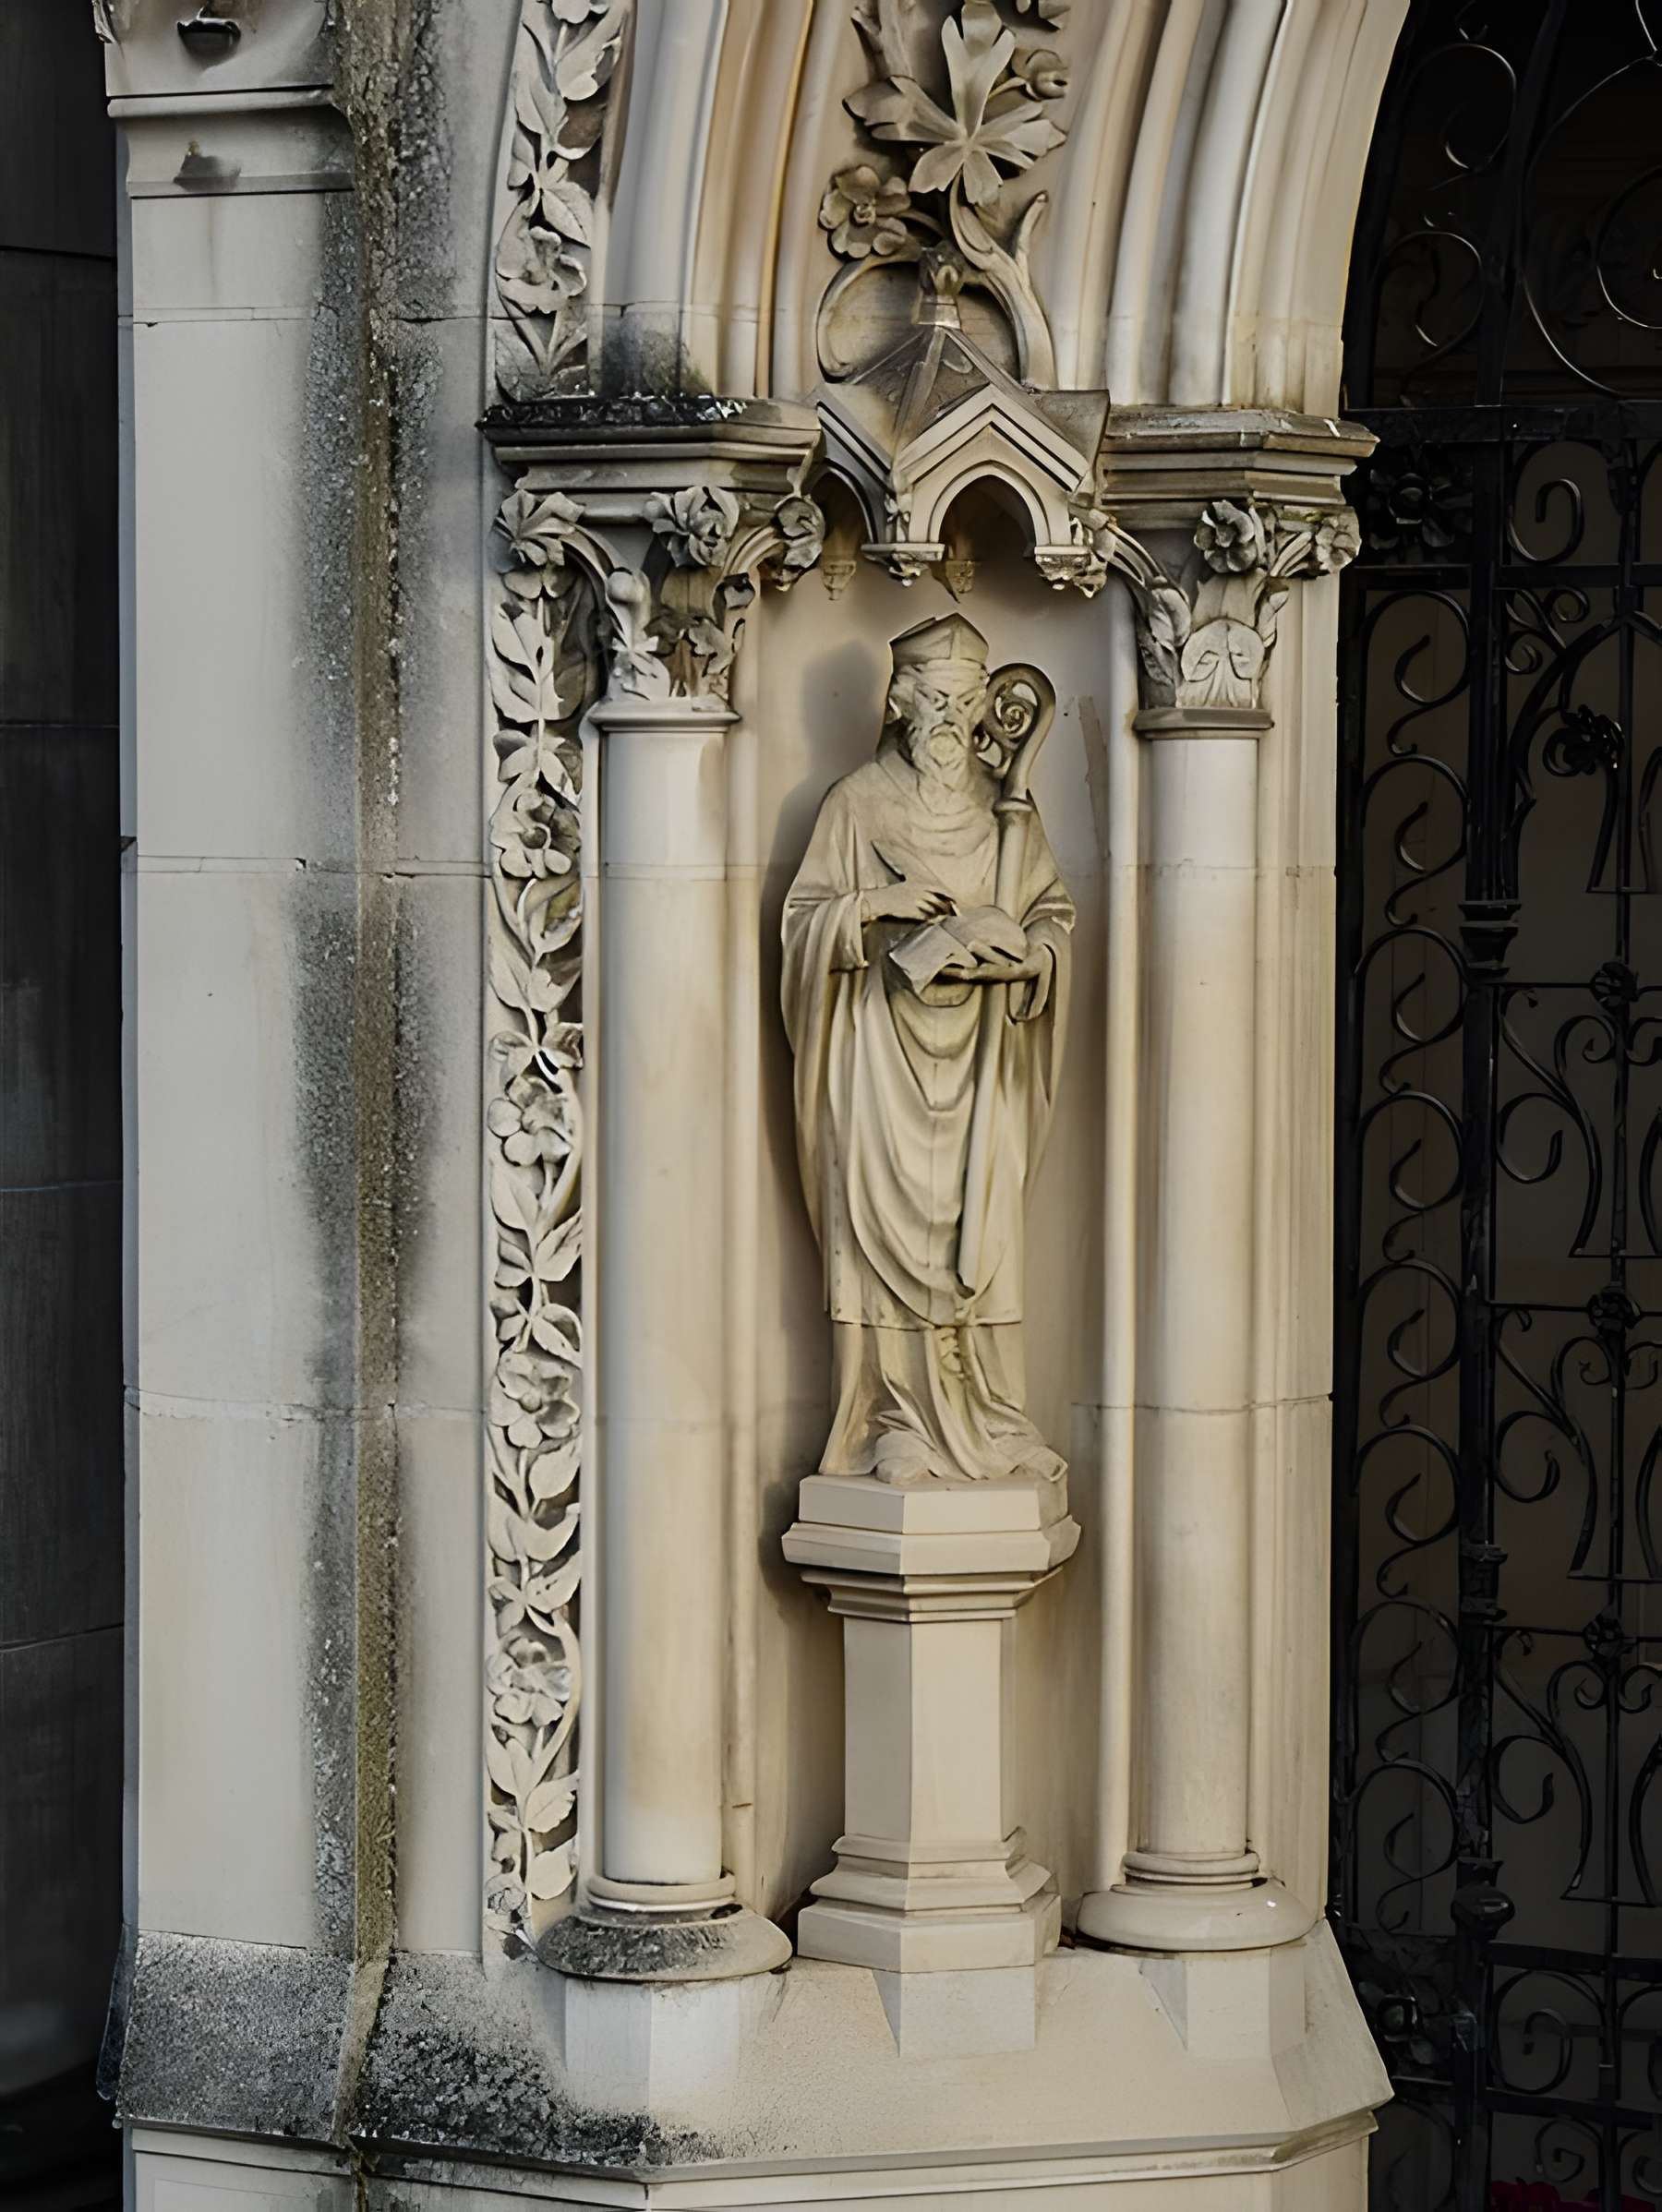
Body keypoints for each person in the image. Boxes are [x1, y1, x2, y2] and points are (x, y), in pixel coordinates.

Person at [781, 613, 1073, 1485]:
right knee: (879, 1232)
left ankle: (990, 1414)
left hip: (983, 1059)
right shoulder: (855, 804)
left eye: (962, 701)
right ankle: (889, 1421)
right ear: (901, 703)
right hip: (878, 1059)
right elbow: (803, 923)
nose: (947, 718)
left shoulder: (1009, 812)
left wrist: (1035, 955)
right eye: (932, 700)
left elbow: (1050, 909)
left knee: (980, 1230)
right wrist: (873, 908)